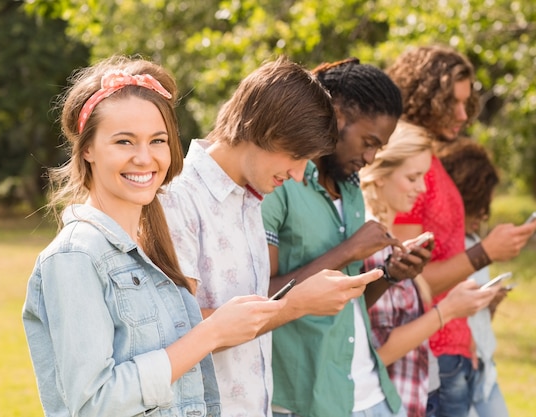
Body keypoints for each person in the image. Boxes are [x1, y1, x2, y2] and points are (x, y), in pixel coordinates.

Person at [22, 56, 284, 417]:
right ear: (87, 149)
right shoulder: (75, 257)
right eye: (124, 142)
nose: (144, 158)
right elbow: (93, 404)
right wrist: (210, 334)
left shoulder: (153, 249)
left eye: (157, 140)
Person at [160, 56, 384, 417]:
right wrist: (295, 304)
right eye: (296, 157)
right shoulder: (177, 202)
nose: (298, 175)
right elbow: (177, 330)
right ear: (262, 128)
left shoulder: (251, 199)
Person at [262, 58, 432, 417]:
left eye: (378, 148)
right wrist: (350, 250)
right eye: (368, 142)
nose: (370, 158)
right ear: (337, 115)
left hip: (374, 393)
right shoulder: (279, 185)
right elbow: (263, 297)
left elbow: (344, 302)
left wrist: (389, 275)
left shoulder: (350, 188)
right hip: (309, 402)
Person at [387, 45, 536, 416]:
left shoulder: (430, 160)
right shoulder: (405, 169)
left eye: (466, 104)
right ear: (423, 99)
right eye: (451, 104)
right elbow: (406, 282)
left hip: (453, 351)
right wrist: (485, 252)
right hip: (432, 354)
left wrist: (467, 334)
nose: (462, 115)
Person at [361, 121, 498, 417]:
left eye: (423, 177)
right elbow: (378, 352)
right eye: (412, 178)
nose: (422, 189)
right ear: (380, 174)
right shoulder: (370, 242)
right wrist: (447, 310)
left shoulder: (390, 239)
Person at [438, 139, 510, 417]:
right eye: (480, 204)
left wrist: (491, 302)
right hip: (457, 363)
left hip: (484, 364)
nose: (484, 214)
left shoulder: (475, 241)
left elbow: (480, 319)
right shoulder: (444, 249)